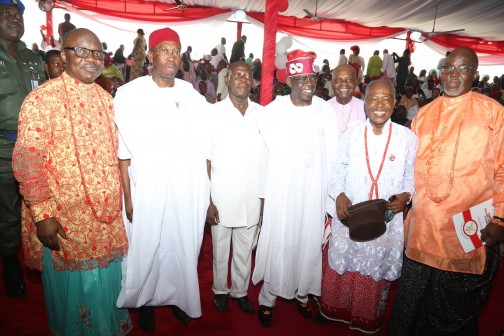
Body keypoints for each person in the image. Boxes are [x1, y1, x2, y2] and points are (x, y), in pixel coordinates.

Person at [12, 28, 131, 335]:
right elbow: (27, 159)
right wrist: (42, 214)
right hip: (64, 219)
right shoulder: (41, 99)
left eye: (97, 53)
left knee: (107, 282)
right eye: (81, 51)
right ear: (63, 55)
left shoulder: (106, 99)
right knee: (75, 291)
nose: (91, 60)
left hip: (104, 217)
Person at [388, 46, 504, 335]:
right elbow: (407, 168)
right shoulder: (423, 115)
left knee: (452, 312)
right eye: (448, 67)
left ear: (475, 74)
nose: (454, 74)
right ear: (440, 73)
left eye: (463, 69)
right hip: (422, 229)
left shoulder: (494, 113)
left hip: (466, 229)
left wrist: (501, 217)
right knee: (411, 307)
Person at [114, 27, 210, 333]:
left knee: (181, 243)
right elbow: (123, 151)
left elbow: (206, 143)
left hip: (184, 187)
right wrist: (128, 197)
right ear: (151, 55)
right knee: (146, 244)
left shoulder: (190, 95)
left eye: (176, 51)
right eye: (165, 50)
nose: (172, 56)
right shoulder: (130, 94)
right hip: (147, 187)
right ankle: (143, 301)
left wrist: (205, 193)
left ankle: (178, 298)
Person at [317, 79, 417, 334]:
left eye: (386, 100)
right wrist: (338, 195)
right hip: (353, 211)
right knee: (345, 256)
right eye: (373, 99)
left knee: (376, 262)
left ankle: (365, 317)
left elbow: (411, 176)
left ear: (395, 104)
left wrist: (406, 195)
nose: (379, 105)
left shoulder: (407, 138)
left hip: (386, 215)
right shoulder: (351, 135)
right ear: (365, 105)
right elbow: (337, 171)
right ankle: (333, 310)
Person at [252, 49, 338, 327]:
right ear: (289, 81)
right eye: (300, 79)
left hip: (314, 193)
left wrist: (330, 198)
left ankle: (303, 294)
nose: (307, 84)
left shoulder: (326, 111)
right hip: (284, 193)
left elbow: (333, 155)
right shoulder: (272, 112)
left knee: (309, 243)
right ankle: (268, 298)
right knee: (281, 241)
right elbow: (264, 156)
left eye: (311, 79)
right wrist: (265, 199)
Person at [207, 61, 265, 315]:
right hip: (221, 194)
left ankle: (240, 292)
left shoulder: (262, 114)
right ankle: (220, 290)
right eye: (237, 75)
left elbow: (267, 158)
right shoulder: (214, 113)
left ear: (253, 82)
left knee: (244, 249)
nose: (242, 79)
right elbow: (205, 158)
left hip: (252, 194)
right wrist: (207, 199)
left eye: (247, 75)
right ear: (227, 80)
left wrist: (264, 197)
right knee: (220, 247)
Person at [0, 0, 45, 298]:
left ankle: (39, 262)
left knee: (39, 208)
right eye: (6, 14)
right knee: (8, 213)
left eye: (18, 15)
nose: (14, 20)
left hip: (38, 147)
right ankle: (10, 266)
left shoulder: (33, 58)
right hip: (4, 147)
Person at [328, 64, 366, 136]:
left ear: (355, 83)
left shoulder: (365, 108)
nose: (344, 83)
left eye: (349, 80)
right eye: (339, 80)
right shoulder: (324, 108)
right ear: (332, 83)